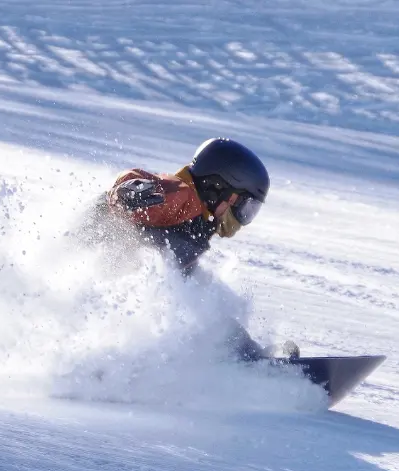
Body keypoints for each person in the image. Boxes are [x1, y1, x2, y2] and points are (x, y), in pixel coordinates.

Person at [97, 137, 296, 360]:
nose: (242, 219)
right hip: (102, 288)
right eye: (244, 207)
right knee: (202, 309)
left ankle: (248, 357)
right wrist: (129, 193)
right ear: (219, 188)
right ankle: (248, 360)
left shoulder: (199, 221)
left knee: (207, 305)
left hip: (123, 302)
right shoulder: (184, 197)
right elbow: (155, 188)